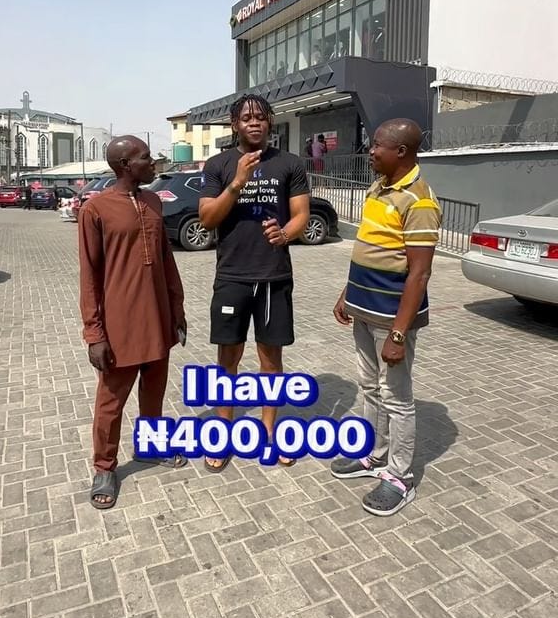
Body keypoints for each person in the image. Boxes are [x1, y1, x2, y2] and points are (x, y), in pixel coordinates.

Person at [331, 119, 442, 516]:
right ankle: (373, 455)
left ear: (401, 152)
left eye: (378, 145)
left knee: (396, 397)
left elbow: (420, 274)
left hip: (391, 319)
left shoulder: (420, 202)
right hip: (363, 309)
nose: (371, 151)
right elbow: (369, 247)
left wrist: (398, 334)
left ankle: (400, 476)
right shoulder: (378, 187)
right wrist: (347, 293)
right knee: (370, 387)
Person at [199, 95, 310, 470]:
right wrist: (237, 182)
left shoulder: (290, 163)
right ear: (235, 125)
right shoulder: (218, 165)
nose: (254, 123)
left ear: (270, 122)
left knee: (271, 360)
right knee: (227, 359)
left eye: (261, 117)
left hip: (273, 275)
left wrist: (286, 233)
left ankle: (269, 433)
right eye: (246, 118)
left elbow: (301, 214)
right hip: (232, 275)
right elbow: (207, 219)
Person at [78, 135, 187, 509]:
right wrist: (94, 333)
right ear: (125, 165)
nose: (153, 163)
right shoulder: (95, 210)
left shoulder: (154, 202)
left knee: (154, 390)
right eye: (146, 157)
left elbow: (166, 260)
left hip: (158, 317)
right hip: (119, 325)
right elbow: (89, 276)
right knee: (111, 401)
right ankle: (104, 467)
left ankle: (151, 448)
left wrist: (177, 310)